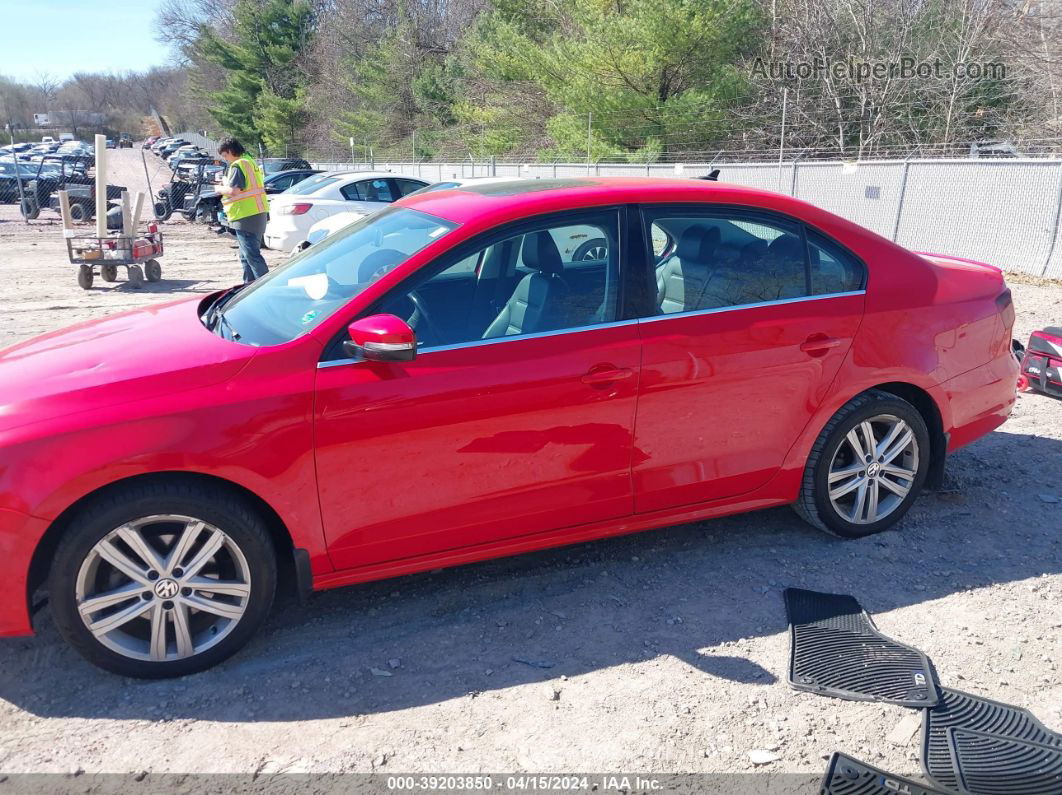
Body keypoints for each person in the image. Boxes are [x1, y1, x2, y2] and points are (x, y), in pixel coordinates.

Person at [215, 138, 270, 282]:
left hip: (245, 216)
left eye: (225, 155)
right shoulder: (249, 162)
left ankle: (265, 287)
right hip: (256, 214)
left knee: (252, 256)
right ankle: (249, 287)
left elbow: (235, 191)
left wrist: (219, 188)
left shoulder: (238, 165)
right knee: (246, 256)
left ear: (231, 151)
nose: (225, 159)